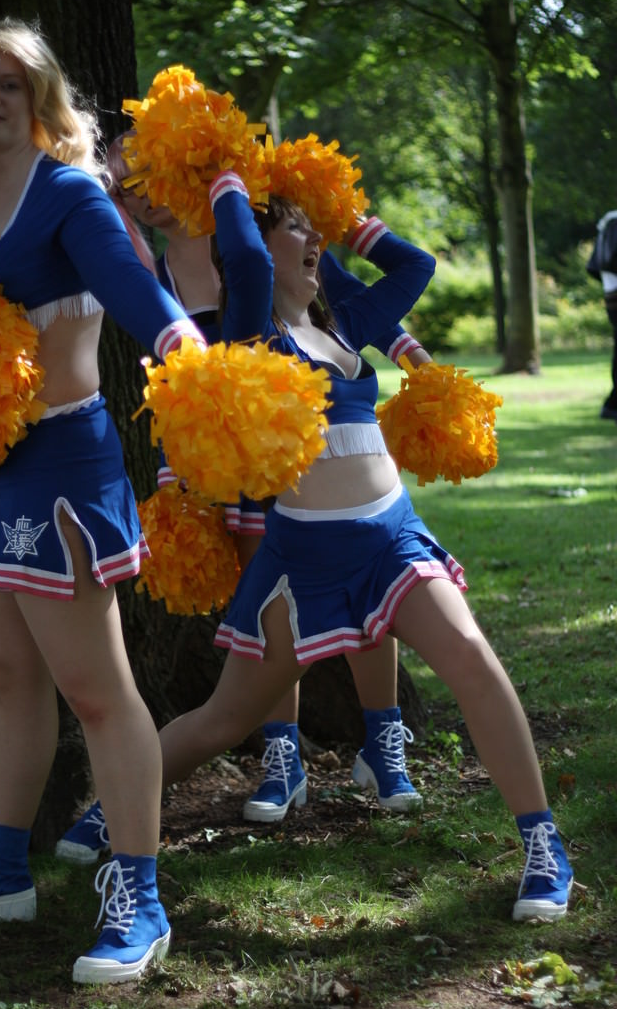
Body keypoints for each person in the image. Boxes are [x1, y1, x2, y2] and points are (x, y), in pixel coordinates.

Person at [149, 167, 573, 923]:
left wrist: (344, 218)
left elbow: (416, 266)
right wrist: (230, 178)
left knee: (473, 659)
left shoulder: (347, 318)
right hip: (302, 561)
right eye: (295, 228)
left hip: (393, 539)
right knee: (225, 719)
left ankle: (544, 847)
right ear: (259, 246)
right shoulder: (250, 335)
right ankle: (114, 809)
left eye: (314, 229)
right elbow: (241, 257)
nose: (313, 238)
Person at [0, 18, 210, 985]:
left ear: (39, 99)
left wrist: (179, 345)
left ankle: (140, 895)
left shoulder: (68, 191)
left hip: (64, 466)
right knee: (9, 672)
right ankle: (0, 867)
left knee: (96, 690)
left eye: (11, 83)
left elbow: (131, 288)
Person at [54, 144, 432, 871]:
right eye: (127, 189)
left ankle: (383, 738)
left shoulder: (257, 227)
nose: (145, 195)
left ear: (190, 169)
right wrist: (180, 474)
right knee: (264, 612)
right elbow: (175, 372)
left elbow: (336, 309)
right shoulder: (148, 267)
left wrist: (407, 348)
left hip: (306, 453)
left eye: (154, 174)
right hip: (230, 462)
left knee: (365, 587)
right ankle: (282, 758)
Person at [586, 210, 617, 420]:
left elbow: (594, 267)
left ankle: (612, 404)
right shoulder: (613, 222)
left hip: (611, 294)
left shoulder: (607, 221)